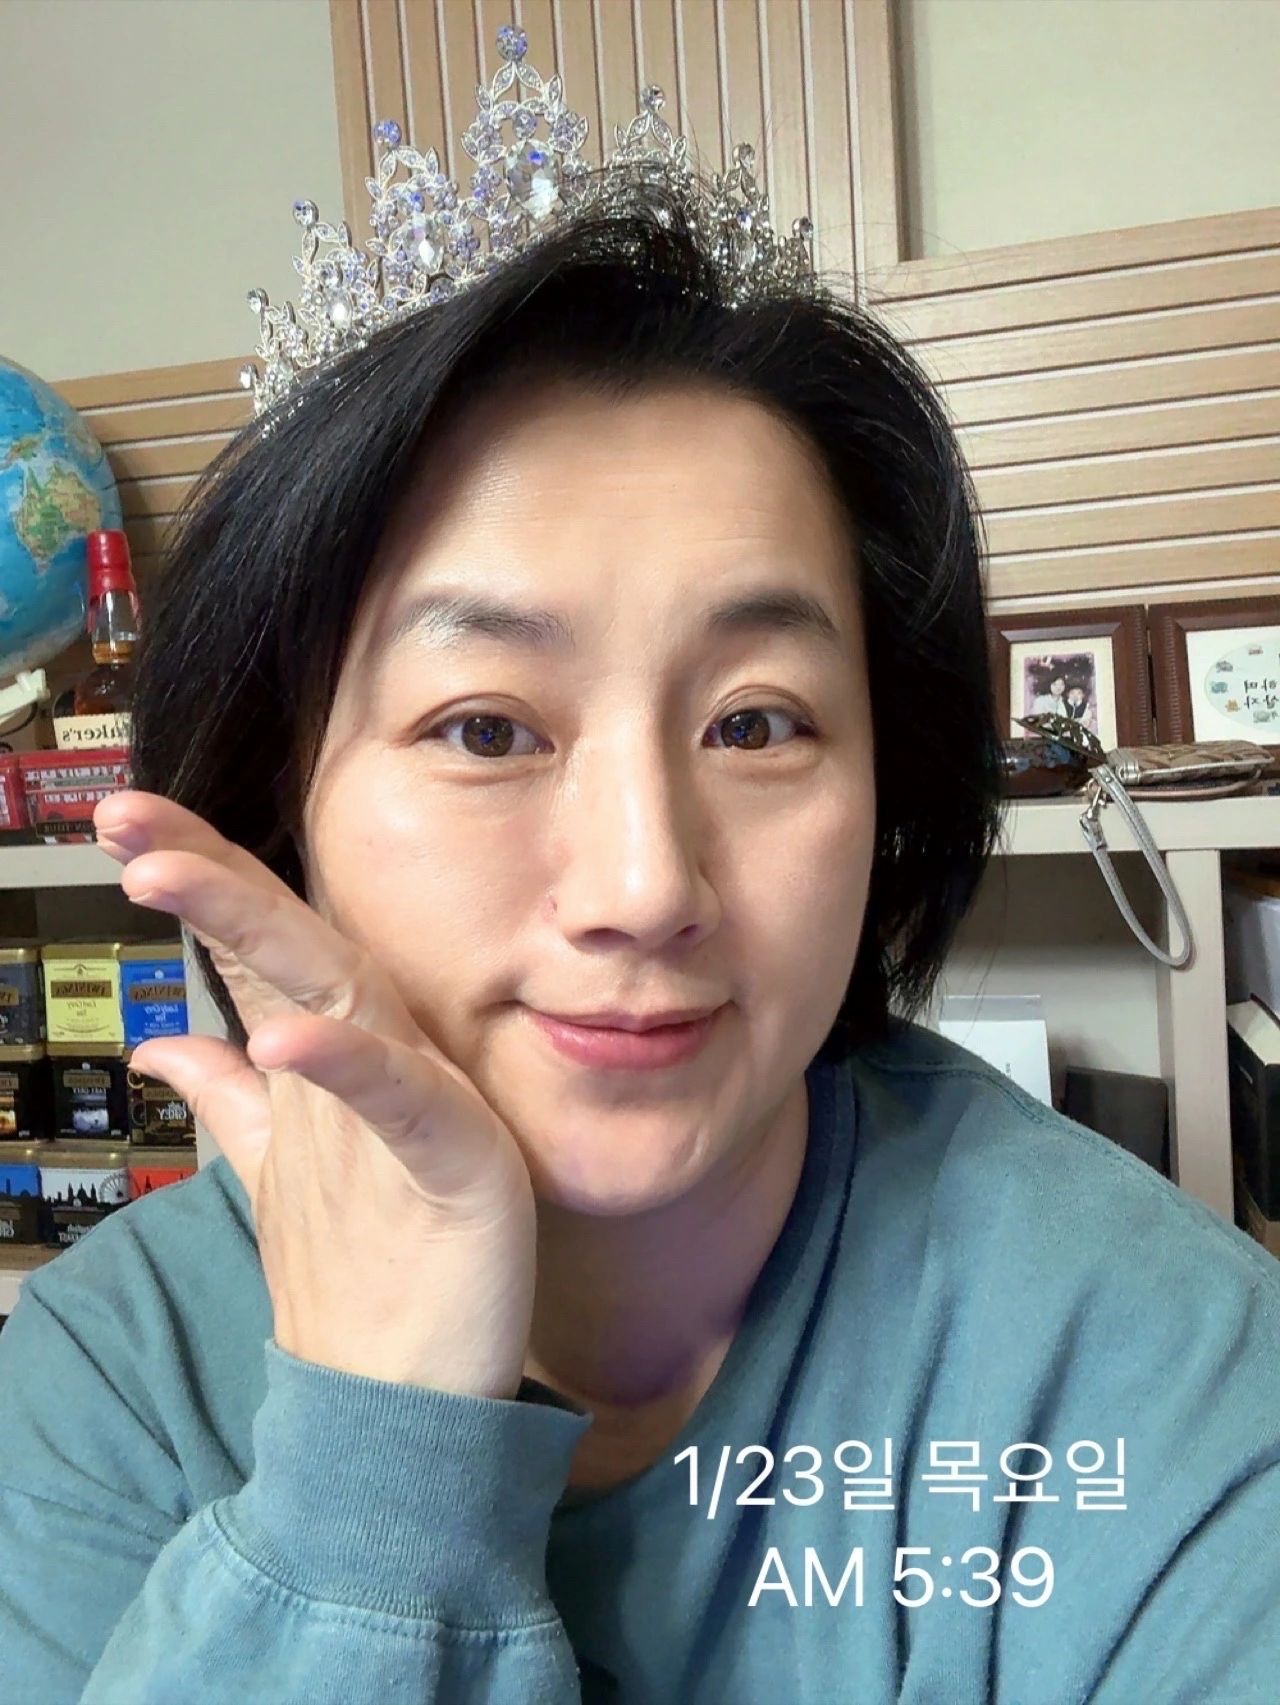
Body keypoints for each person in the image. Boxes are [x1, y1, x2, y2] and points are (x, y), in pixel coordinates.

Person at [1, 176, 1279, 1705]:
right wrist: (372, 1464)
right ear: (282, 807)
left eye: (756, 723)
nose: (646, 884)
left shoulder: (1159, 1364)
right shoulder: (109, 1378)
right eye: (486, 729)